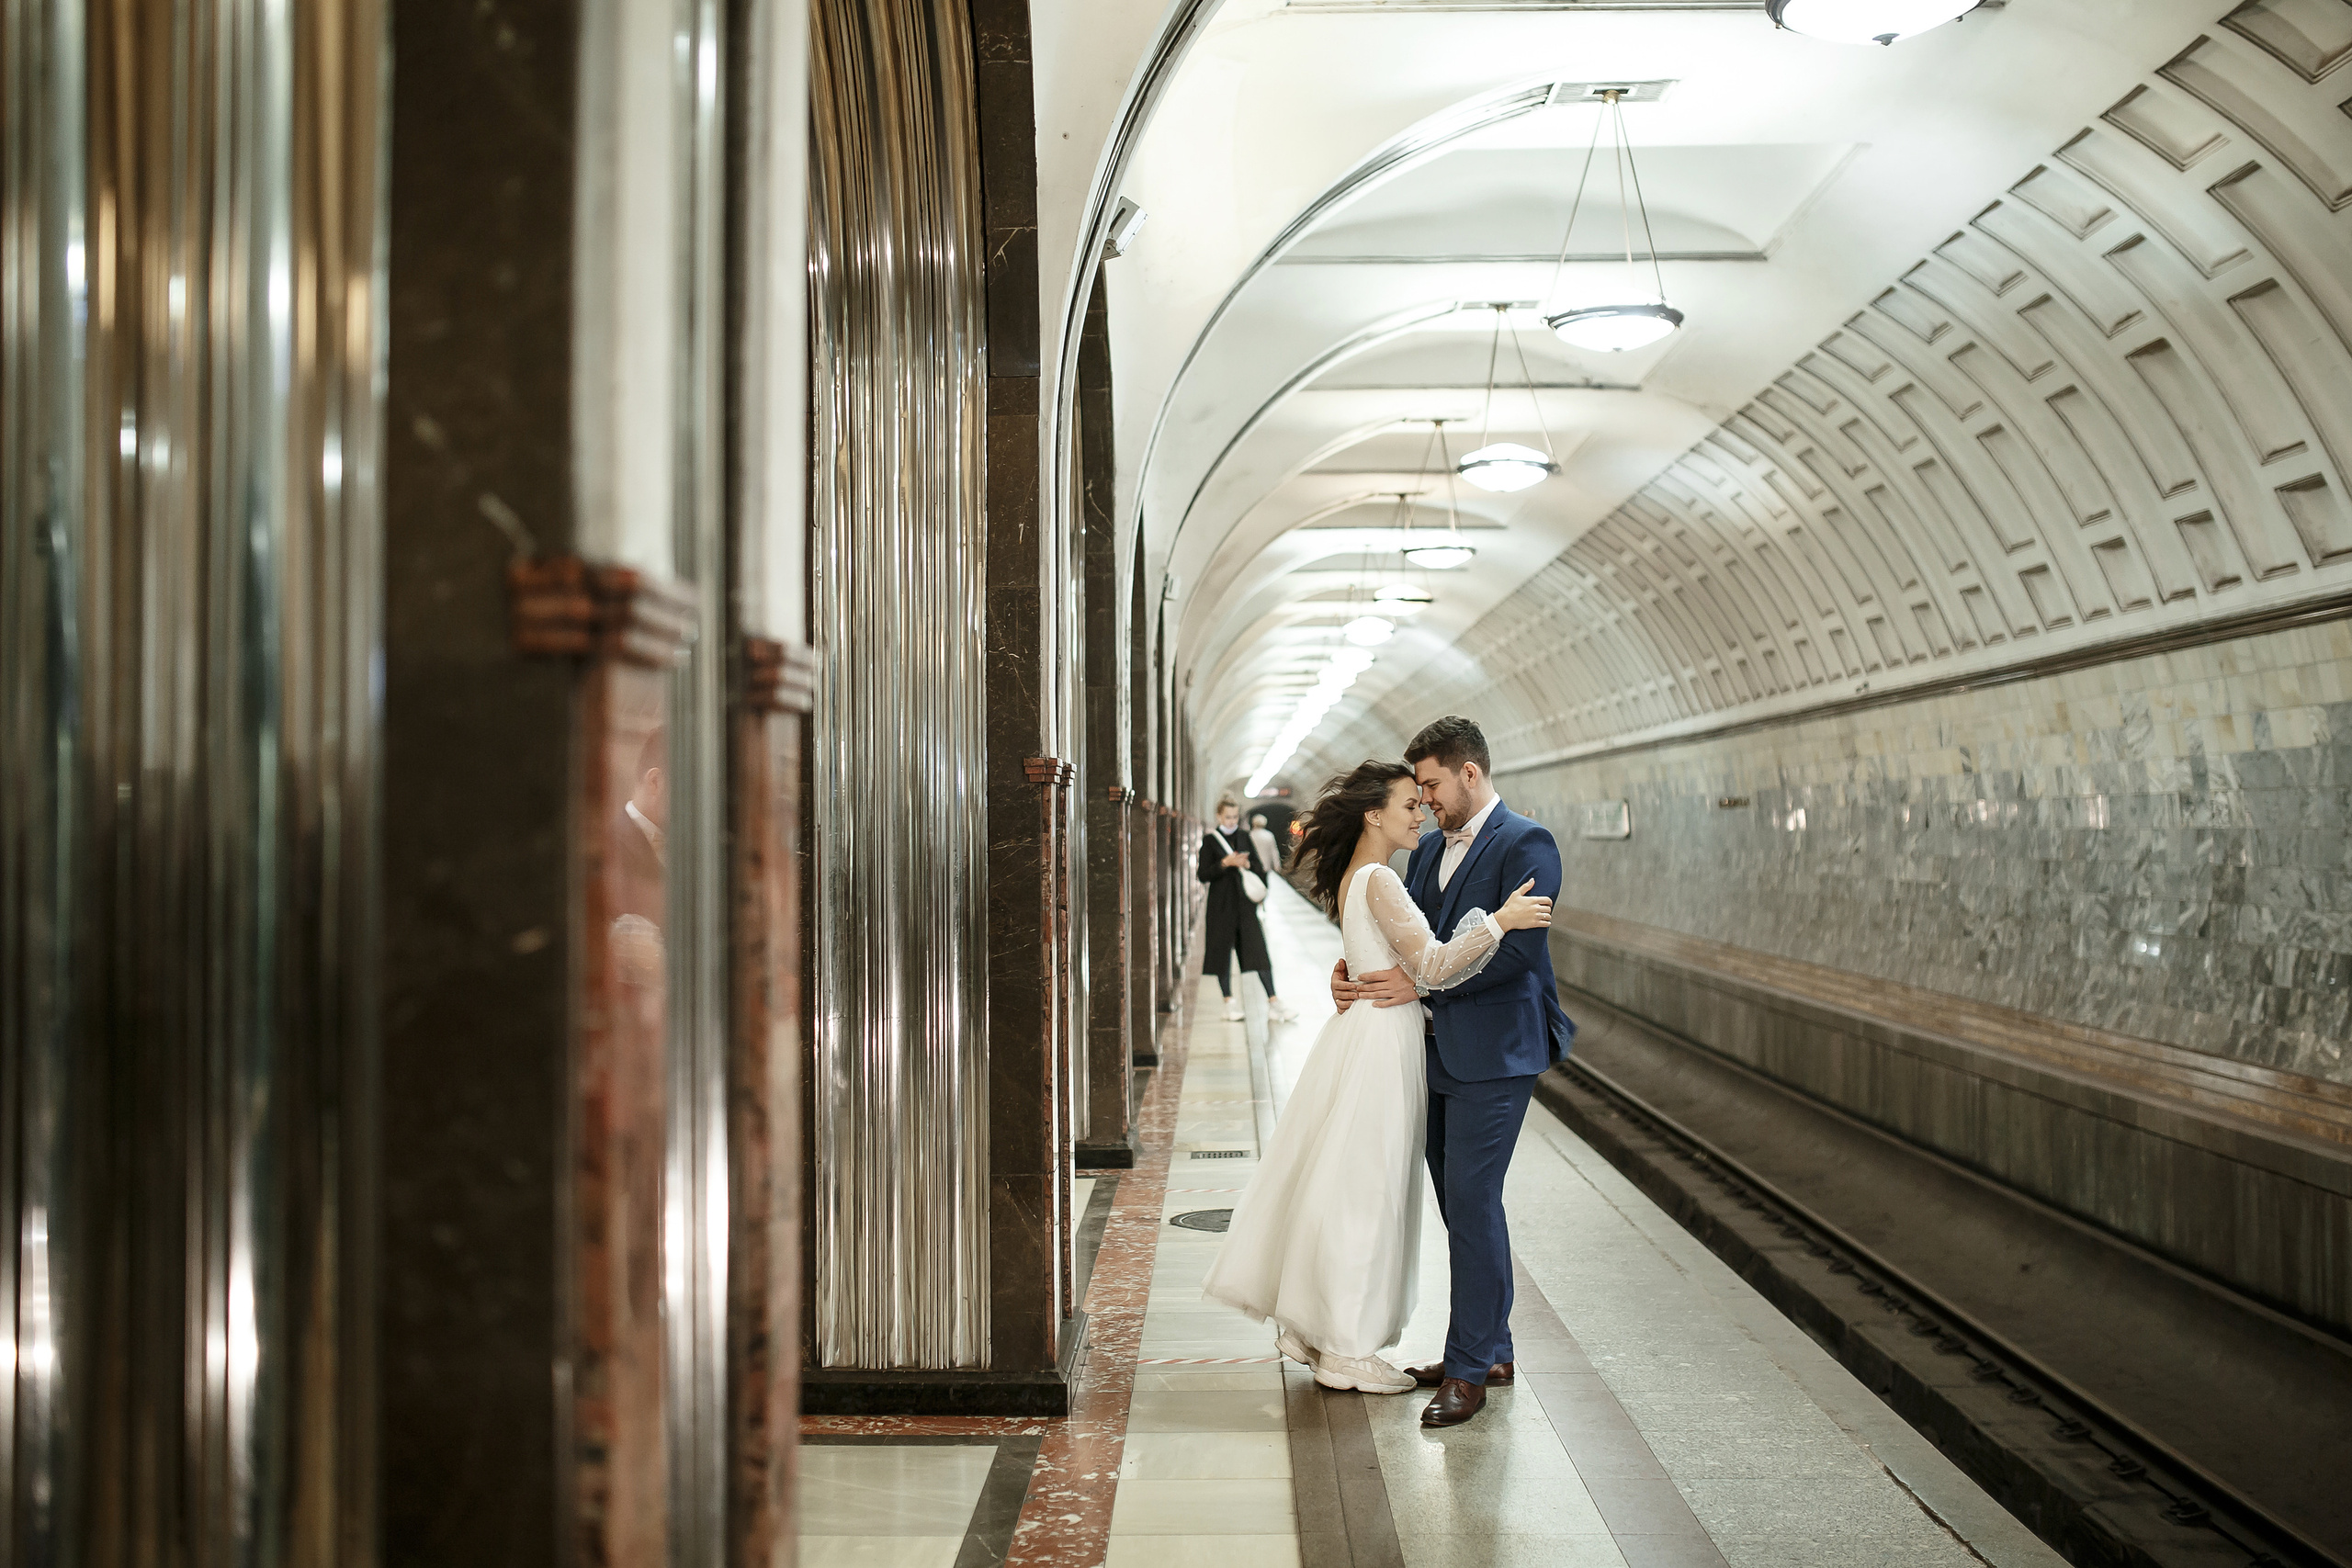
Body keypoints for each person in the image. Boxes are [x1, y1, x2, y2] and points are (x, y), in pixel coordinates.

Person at [1202, 761, 1553, 1393]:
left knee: (1343, 1184)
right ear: (1373, 814)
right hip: (1384, 1042)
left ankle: (1318, 1329)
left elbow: (1381, 958)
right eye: (1407, 805)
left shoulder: (1357, 876)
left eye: (1423, 802)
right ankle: (1346, 1346)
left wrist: (1364, 975)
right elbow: (1438, 965)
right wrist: (1501, 919)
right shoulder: (1383, 879)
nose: (1418, 813)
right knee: (1368, 1193)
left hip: (1369, 1033)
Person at [1330, 715, 1575, 1427]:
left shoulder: (1527, 842)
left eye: (1433, 784)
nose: (1427, 799)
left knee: (1470, 1198)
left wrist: (1426, 987)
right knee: (1460, 1201)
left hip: (1496, 1054)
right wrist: (1353, 971)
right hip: (1436, 1052)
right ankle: (1490, 1344)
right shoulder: (1427, 849)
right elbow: (1416, 942)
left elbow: (1516, 954)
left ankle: (1468, 1367)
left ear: (1470, 773)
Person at [1199, 797, 1298, 1022]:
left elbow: (1258, 868)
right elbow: (1203, 874)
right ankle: (1229, 1004)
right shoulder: (1210, 841)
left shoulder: (1245, 837)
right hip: (1221, 906)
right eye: (1228, 817)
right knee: (1222, 955)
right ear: (1219, 816)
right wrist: (1224, 864)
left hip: (1245, 906)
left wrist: (1246, 864)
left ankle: (1274, 1003)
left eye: (1235, 817)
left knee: (1259, 952)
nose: (1232, 821)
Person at [1249, 812, 1283, 880]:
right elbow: (1274, 852)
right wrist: (1277, 866)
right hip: (1266, 865)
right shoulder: (1269, 835)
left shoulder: (1249, 835)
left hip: (1253, 866)